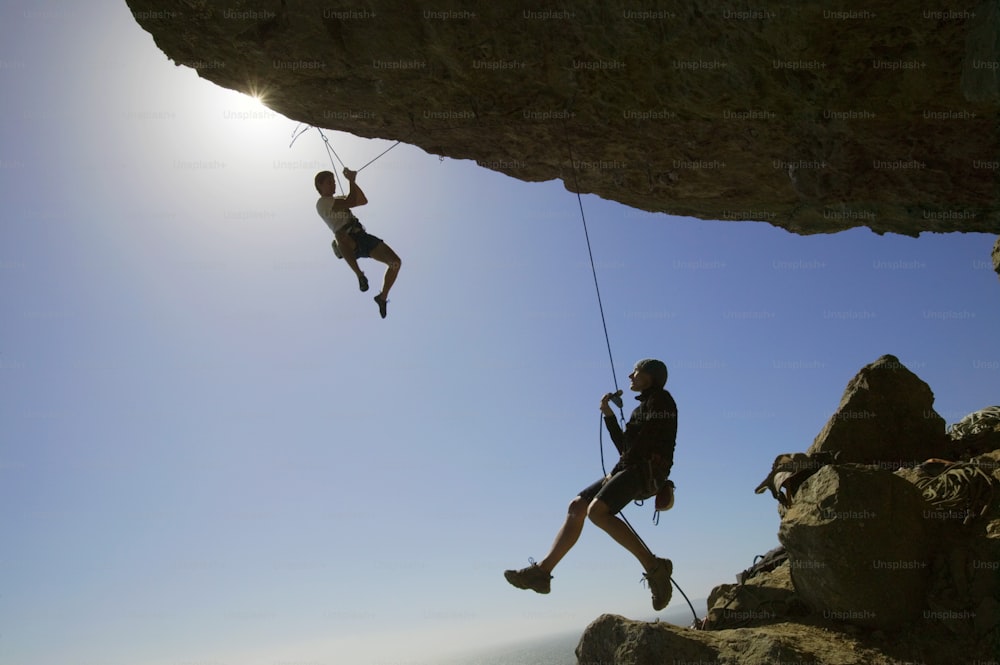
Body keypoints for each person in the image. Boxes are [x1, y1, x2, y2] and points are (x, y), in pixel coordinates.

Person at [504, 358, 678, 611]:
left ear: (649, 376)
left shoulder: (662, 401)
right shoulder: (639, 410)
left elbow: (641, 447)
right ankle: (542, 574)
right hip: (632, 467)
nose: (630, 376)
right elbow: (625, 448)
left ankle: (654, 567)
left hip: (648, 471)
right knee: (577, 507)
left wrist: (616, 471)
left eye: (636, 371)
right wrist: (608, 416)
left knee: (597, 512)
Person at [314, 168, 401, 318]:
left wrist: (352, 182)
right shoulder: (322, 203)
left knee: (395, 263)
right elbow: (351, 201)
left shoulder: (339, 199)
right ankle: (360, 275)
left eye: (334, 182)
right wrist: (351, 181)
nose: (334, 185)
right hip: (348, 243)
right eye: (330, 182)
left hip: (362, 237)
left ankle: (382, 298)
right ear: (320, 185)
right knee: (340, 236)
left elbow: (361, 200)